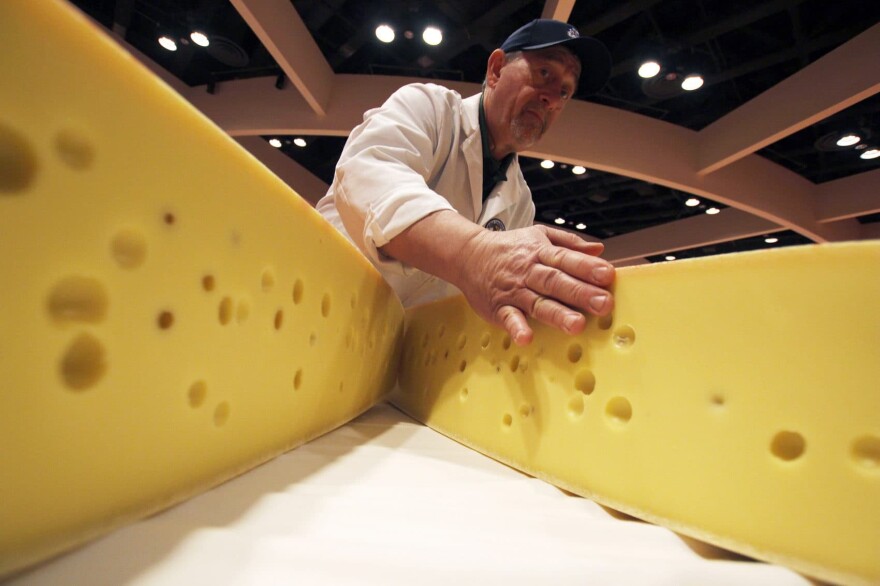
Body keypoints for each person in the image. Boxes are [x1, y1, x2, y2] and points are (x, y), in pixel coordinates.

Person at [317, 19, 615, 346]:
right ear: (497, 69)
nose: (552, 100)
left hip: (396, 359)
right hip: (320, 311)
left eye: (564, 92)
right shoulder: (429, 107)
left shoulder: (521, 203)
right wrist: (474, 254)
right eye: (545, 73)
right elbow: (369, 174)